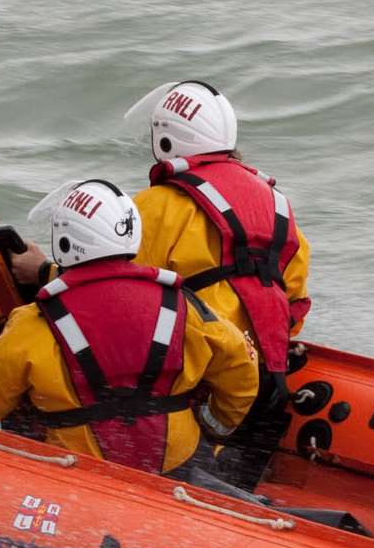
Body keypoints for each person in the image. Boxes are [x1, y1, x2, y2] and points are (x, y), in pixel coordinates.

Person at [0, 179, 259, 475]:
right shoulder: (184, 304)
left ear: (65, 241)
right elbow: (241, 371)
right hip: (177, 462)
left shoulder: (35, 322)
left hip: (82, 473)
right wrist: (215, 426)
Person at [123, 80, 312, 486]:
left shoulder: (155, 207)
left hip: (198, 383)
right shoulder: (277, 202)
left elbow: (107, 287)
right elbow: (294, 297)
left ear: (167, 141)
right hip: (266, 380)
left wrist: (42, 274)